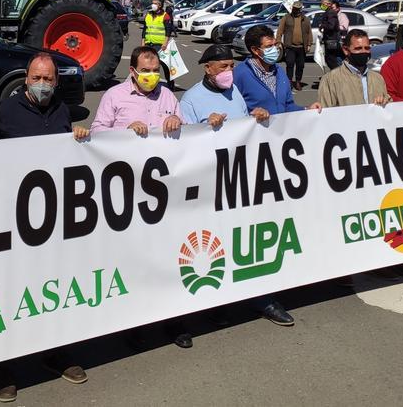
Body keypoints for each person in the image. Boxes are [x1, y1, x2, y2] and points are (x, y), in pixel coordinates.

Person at [0, 54, 90, 401]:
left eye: (49, 78)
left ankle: (53, 352)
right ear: (26, 80)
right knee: (9, 293)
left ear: (56, 81)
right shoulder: (5, 111)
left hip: (52, 220)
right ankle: (3, 367)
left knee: (51, 288)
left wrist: (80, 136)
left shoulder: (62, 110)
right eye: (37, 77)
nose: (42, 83)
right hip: (11, 220)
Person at [179, 44, 294, 327]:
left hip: (242, 179)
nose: (229, 72)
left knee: (248, 239)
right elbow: (184, 145)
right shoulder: (191, 100)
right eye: (222, 67)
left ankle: (263, 299)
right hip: (210, 185)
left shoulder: (234, 92)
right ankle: (210, 304)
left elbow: (243, 128)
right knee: (212, 243)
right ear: (208, 69)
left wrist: (256, 118)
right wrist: (208, 128)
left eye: (231, 66)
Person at [90, 47, 190, 348]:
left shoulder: (168, 96)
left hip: (164, 191)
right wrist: (124, 131)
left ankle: (172, 320)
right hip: (128, 191)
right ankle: (133, 323)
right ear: (133, 71)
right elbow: (96, 131)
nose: (151, 76)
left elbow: (186, 131)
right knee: (133, 258)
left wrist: (177, 122)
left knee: (167, 256)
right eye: (146, 70)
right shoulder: (114, 96)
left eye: (155, 70)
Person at [234, 25, 314, 115]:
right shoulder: (240, 74)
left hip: (280, 127)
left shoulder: (279, 72)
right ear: (255, 50)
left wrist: (307, 109)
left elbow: (288, 106)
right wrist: (252, 115)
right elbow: (233, 111)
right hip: (256, 128)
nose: (275, 49)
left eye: (275, 45)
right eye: (269, 46)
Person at [317, 30, 390, 107]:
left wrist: (386, 101)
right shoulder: (331, 79)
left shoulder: (377, 78)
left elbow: (387, 111)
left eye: (367, 48)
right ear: (346, 50)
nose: (363, 52)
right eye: (358, 48)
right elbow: (325, 113)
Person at [278, 4, 312, 89]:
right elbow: (280, 30)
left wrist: (309, 44)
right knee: (290, 64)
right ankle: (289, 81)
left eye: (298, 9)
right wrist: (278, 41)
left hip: (301, 47)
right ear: (292, 8)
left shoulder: (305, 19)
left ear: (300, 9)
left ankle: (298, 81)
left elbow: (309, 32)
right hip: (290, 46)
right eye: (295, 9)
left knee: (300, 66)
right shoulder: (286, 18)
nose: (296, 10)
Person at [317, 0, 349, 70]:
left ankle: (337, 75)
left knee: (331, 60)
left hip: (332, 40)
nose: (321, 5)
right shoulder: (328, 12)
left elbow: (331, 26)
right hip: (329, 39)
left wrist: (322, 25)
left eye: (323, 3)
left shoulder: (331, 12)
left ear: (329, 4)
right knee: (329, 59)